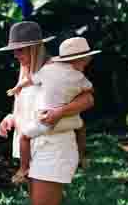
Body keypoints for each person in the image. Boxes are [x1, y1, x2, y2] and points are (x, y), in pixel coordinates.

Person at [0, 22, 94, 205]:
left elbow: (87, 98)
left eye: (21, 50)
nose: (16, 55)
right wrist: (11, 118)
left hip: (54, 149)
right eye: (13, 51)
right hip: (36, 149)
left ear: (35, 46)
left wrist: (60, 112)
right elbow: (28, 109)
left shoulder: (57, 71)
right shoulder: (28, 74)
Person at [12, 37, 99, 184]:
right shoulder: (79, 76)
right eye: (84, 64)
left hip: (45, 120)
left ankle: (23, 168)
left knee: (24, 137)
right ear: (83, 60)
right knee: (81, 126)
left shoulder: (47, 70)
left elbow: (31, 80)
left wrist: (18, 87)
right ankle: (82, 156)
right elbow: (90, 90)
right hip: (64, 123)